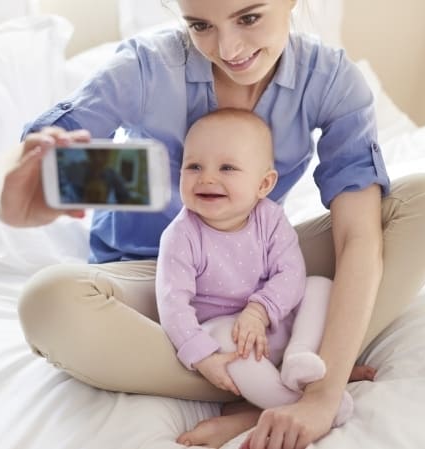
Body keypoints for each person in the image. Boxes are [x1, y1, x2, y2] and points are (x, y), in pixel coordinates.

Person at [0, 1, 425, 448]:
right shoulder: (147, 68)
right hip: (147, 285)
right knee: (49, 303)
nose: (228, 50)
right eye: (200, 25)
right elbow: (32, 160)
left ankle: (302, 382)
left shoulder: (331, 80)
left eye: (249, 18)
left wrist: (322, 398)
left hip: (253, 276)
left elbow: (357, 236)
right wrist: (12, 193)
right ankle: (271, 388)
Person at [156, 109, 373, 426]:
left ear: (264, 184)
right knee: (222, 334)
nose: (207, 178)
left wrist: (259, 311)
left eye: (227, 167)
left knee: (319, 286)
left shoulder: (269, 218)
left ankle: (299, 359)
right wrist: (203, 358)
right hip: (230, 340)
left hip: (274, 320)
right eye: (194, 166)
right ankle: (289, 402)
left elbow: (290, 273)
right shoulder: (181, 235)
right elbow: (172, 302)